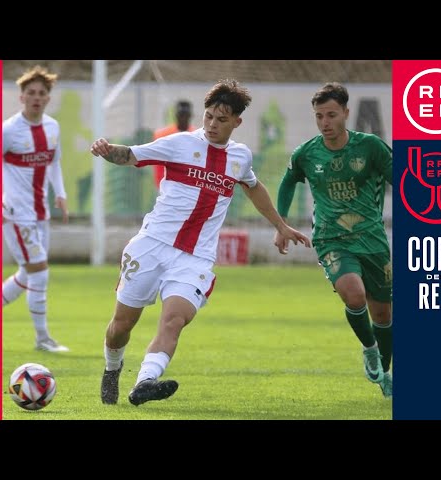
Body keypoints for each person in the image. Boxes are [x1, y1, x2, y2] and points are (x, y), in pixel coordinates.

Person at [90, 79, 312, 406]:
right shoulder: (179, 143)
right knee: (121, 326)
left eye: (221, 120)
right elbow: (131, 156)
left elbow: (253, 186)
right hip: (151, 245)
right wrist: (107, 151)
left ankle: (145, 382)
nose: (211, 124)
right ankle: (112, 369)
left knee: (174, 319)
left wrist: (280, 225)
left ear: (237, 121)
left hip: (194, 259)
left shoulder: (240, 157)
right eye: (208, 116)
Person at [274, 82, 393, 398]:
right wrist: (281, 223)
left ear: (346, 114)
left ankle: (385, 372)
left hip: (372, 239)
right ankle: (369, 350)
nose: (325, 123)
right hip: (330, 238)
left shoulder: (370, 147)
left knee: (383, 314)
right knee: (354, 296)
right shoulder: (307, 153)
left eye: (331, 115)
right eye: (319, 116)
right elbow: (287, 183)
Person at [2, 65, 70, 353]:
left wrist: (61, 194)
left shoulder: (52, 127)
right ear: (21, 97)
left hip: (41, 211)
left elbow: (54, 162)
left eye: (42, 93)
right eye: (31, 92)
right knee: (40, 271)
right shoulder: (7, 130)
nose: (36, 97)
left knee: (27, 274)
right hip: (16, 213)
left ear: (48, 98)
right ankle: (42, 339)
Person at [152, 100, 196, 189]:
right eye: (181, 115)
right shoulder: (162, 135)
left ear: (190, 116)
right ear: (176, 115)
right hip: (165, 184)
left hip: (188, 186)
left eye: (185, 115)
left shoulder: (197, 136)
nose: (183, 118)